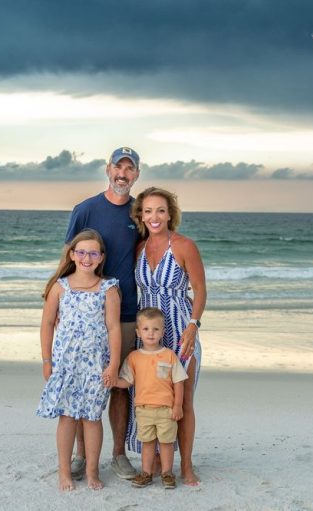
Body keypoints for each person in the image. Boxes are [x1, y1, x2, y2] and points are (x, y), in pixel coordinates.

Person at [63, 146, 141, 480]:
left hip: (126, 314)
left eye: (130, 169)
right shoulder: (85, 210)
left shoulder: (139, 214)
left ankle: (119, 454)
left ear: (136, 174)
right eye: (118, 167)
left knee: (120, 384)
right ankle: (82, 456)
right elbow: (71, 259)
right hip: (88, 316)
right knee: (86, 385)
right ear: (108, 170)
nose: (123, 174)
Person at [127, 187, 206, 486]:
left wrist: (194, 325)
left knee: (182, 402)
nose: (154, 217)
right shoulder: (139, 249)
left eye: (160, 210)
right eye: (148, 211)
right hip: (149, 335)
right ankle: (158, 464)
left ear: (170, 213)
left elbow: (200, 290)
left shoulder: (185, 246)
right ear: (141, 216)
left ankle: (186, 466)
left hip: (180, 330)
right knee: (151, 399)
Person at [36, 229, 121, 491]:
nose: (87, 257)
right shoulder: (60, 287)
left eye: (93, 252)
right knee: (68, 417)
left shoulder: (108, 288)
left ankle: (92, 472)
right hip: (66, 364)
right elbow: (47, 323)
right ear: (72, 254)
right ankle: (65, 472)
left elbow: (114, 328)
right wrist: (47, 361)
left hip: (96, 365)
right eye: (81, 252)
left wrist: (113, 364)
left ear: (101, 257)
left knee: (92, 417)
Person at [114, 307, 187, 490]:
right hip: (143, 409)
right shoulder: (134, 357)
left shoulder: (169, 355)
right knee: (147, 443)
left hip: (166, 410)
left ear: (163, 332)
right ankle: (146, 473)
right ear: (138, 332)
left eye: (155, 329)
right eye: (146, 329)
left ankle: (167, 473)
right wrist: (113, 381)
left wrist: (177, 405)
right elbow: (127, 381)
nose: (151, 333)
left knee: (166, 443)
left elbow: (179, 381)